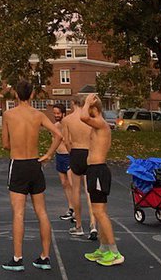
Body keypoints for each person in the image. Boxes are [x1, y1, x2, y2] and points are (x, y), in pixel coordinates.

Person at [1, 80, 64, 272]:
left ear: (15, 95)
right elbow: (58, 136)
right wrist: (48, 155)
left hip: (18, 165)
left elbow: (5, 144)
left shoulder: (8, 115)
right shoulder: (38, 115)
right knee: (42, 212)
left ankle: (18, 258)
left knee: (18, 213)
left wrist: (18, 147)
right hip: (35, 165)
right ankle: (45, 257)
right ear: (32, 95)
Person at [79, 93, 122, 266]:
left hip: (98, 171)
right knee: (99, 211)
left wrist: (88, 101)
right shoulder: (96, 126)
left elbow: (82, 116)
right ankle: (104, 248)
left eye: (88, 107)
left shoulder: (100, 123)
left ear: (93, 108)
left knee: (99, 213)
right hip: (94, 170)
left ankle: (114, 252)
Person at [62, 92, 95, 239]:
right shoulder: (90, 119)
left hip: (76, 152)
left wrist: (71, 153)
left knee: (76, 189)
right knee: (90, 191)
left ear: (73, 104)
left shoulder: (68, 119)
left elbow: (66, 141)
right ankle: (93, 225)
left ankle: (79, 225)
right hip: (89, 152)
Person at [50, 104, 80, 226]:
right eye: (55, 113)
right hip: (59, 156)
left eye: (58, 113)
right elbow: (54, 142)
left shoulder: (68, 124)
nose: (56, 115)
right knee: (64, 183)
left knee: (73, 184)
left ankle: (77, 212)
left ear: (63, 113)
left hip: (68, 156)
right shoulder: (55, 126)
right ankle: (71, 208)